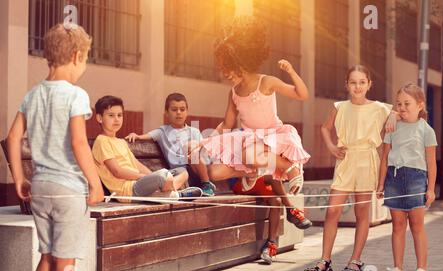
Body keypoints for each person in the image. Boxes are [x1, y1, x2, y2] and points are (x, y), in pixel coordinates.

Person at [6, 24, 104, 271]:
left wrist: (19, 180)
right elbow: (78, 142)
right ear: (75, 56)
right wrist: (95, 185)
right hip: (69, 191)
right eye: (85, 59)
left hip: (40, 188)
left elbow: (13, 137)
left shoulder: (32, 95)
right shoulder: (76, 95)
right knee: (66, 262)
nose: (84, 65)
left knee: (47, 256)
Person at [304, 65, 398, 271]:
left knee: (361, 213)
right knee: (332, 211)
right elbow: (325, 128)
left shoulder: (380, 108)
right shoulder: (339, 107)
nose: (358, 86)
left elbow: (406, 110)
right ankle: (324, 261)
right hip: (345, 160)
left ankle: (355, 261)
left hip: (367, 160)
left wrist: (393, 114)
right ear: (347, 85)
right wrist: (330, 146)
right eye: (353, 82)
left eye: (362, 82)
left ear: (369, 84)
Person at [198, 16, 310, 195]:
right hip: (249, 141)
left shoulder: (266, 82)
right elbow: (227, 125)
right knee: (213, 172)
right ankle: (254, 171)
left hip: (272, 138)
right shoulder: (234, 92)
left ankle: (291, 167)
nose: (225, 74)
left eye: (229, 68)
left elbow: (302, 94)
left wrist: (291, 72)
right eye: (223, 68)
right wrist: (206, 141)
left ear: (241, 62)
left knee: (249, 155)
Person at [377, 83, 437, 271]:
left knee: (417, 225)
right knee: (398, 225)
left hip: (416, 179)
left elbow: (431, 163)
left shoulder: (426, 130)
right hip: (394, 178)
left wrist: (430, 189)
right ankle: (397, 267)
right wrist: (380, 184)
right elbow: (384, 157)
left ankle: (422, 269)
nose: (402, 107)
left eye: (407, 103)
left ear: (420, 105)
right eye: (399, 104)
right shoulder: (392, 126)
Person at [92, 96, 203, 202]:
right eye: (111, 115)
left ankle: (168, 194)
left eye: (119, 115)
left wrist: (152, 178)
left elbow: (138, 165)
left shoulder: (121, 142)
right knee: (163, 176)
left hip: (140, 183)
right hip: (129, 190)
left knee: (182, 172)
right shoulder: (102, 141)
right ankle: (175, 194)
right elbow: (117, 172)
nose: (116, 119)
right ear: (99, 118)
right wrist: (149, 177)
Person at [125, 93, 216, 196]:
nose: (178, 113)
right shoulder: (162, 132)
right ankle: (175, 194)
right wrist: (135, 135)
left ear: (187, 112)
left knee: (191, 149)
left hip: (198, 172)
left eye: (182, 109)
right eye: (174, 109)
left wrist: (193, 151)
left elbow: (204, 153)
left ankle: (206, 184)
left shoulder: (194, 131)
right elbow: (142, 136)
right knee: (180, 172)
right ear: (166, 113)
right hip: (181, 175)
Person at [229, 176, 313, 264]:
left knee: (276, 200)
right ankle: (290, 209)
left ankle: (270, 245)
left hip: (257, 181)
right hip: (241, 183)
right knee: (274, 178)